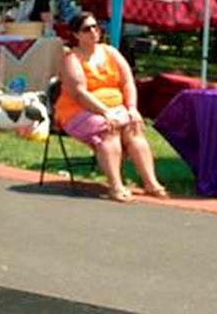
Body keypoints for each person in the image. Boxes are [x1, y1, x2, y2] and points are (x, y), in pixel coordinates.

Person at [55, 12, 168, 202]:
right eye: (86, 29)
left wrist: (132, 108)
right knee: (109, 128)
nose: (93, 31)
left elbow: (127, 82)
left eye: (95, 27)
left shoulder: (110, 52)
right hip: (78, 111)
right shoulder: (71, 60)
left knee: (133, 126)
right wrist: (106, 112)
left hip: (115, 107)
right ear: (76, 35)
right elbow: (80, 94)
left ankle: (151, 183)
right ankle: (116, 186)